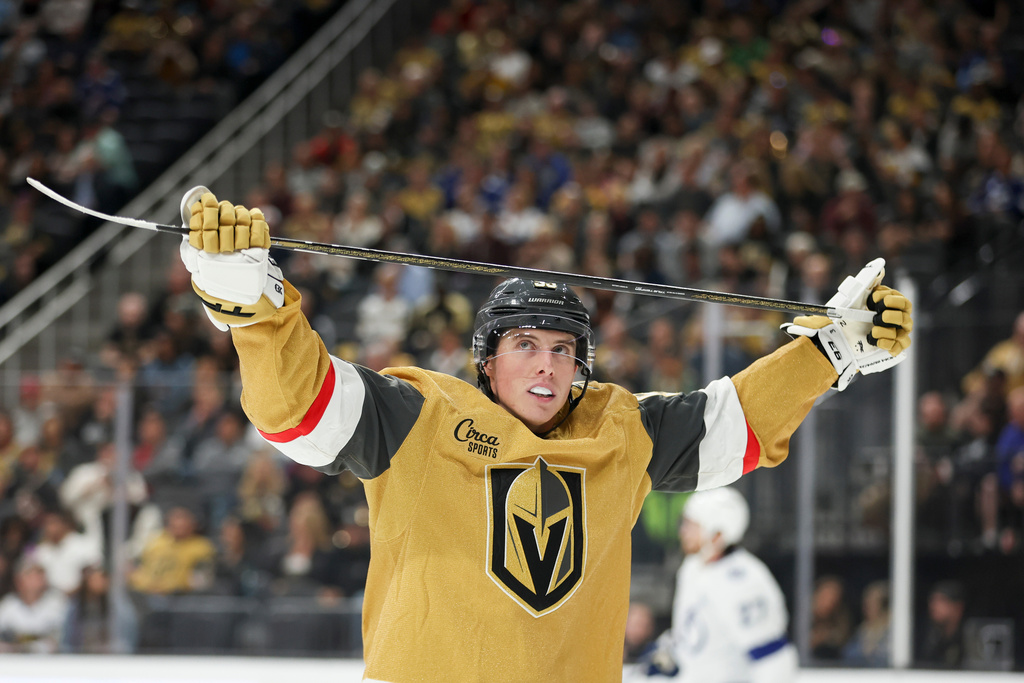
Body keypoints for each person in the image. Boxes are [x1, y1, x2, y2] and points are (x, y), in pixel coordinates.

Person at [176, 191, 912, 681]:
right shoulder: (418, 417)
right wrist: (252, 305)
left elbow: (737, 419)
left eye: (563, 350)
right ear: (487, 360)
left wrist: (829, 351)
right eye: (525, 344)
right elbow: (296, 409)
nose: (546, 365)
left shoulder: (621, 430)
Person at [643, 488, 798, 682]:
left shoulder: (744, 581)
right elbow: (696, 632)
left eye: (692, 526)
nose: (683, 532)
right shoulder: (692, 567)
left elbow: (773, 660)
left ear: (716, 535)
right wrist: (671, 651)